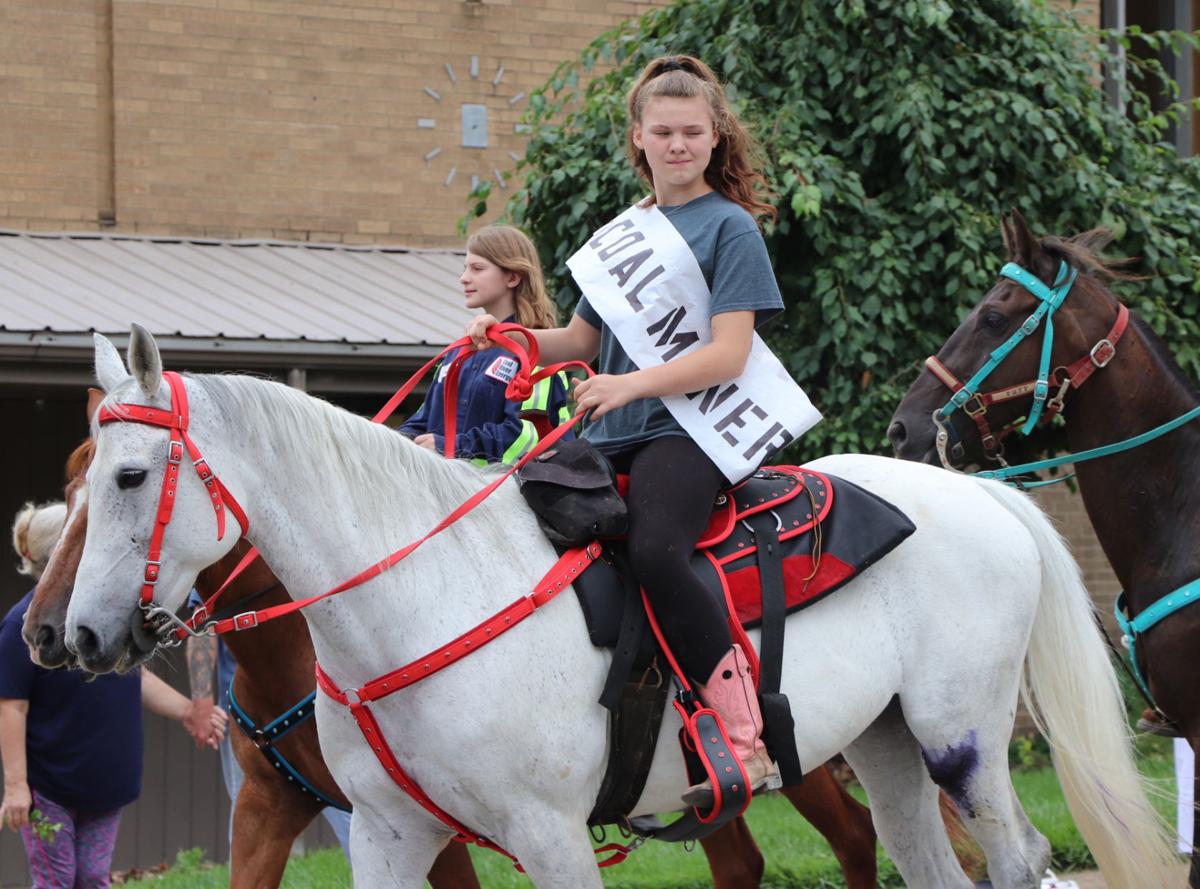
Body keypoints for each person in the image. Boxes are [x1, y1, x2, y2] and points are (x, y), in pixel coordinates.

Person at [467, 55, 819, 807]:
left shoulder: (731, 229)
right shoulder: (623, 233)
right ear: (639, 138)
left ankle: (744, 737)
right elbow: (579, 343)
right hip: (611, 426)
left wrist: (630, 384)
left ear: (716, 138)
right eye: (664, 131)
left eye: (693, 132)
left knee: (658, 550)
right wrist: (509, 341)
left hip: (688, 434)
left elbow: (728, 354)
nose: (679, 144)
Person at [0, 501, 226, 889]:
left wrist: (188, 710)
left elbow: (133, 677)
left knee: (92, 877)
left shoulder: (101, 623)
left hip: (106, 783)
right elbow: (11, 707)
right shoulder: (23, 627)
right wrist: (17, 785)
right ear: (60, 555)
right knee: (56, 880)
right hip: (50, 787)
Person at [183, 601, 354, 859]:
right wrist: (201, 702)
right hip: (249, 719)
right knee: (250, 828)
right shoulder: (218, 562)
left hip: (317, 706)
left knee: (355, 819)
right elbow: (203, 621)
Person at [402, 224, 571, 464]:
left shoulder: (538, 352)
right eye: (464, 269)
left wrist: (450, 446)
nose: (463, 278)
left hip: (509, 498)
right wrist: (385, 442)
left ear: (512, 277)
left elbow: (528, 438)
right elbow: (424, 421)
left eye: (477, 268)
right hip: (449, 496)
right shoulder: (459, 352)